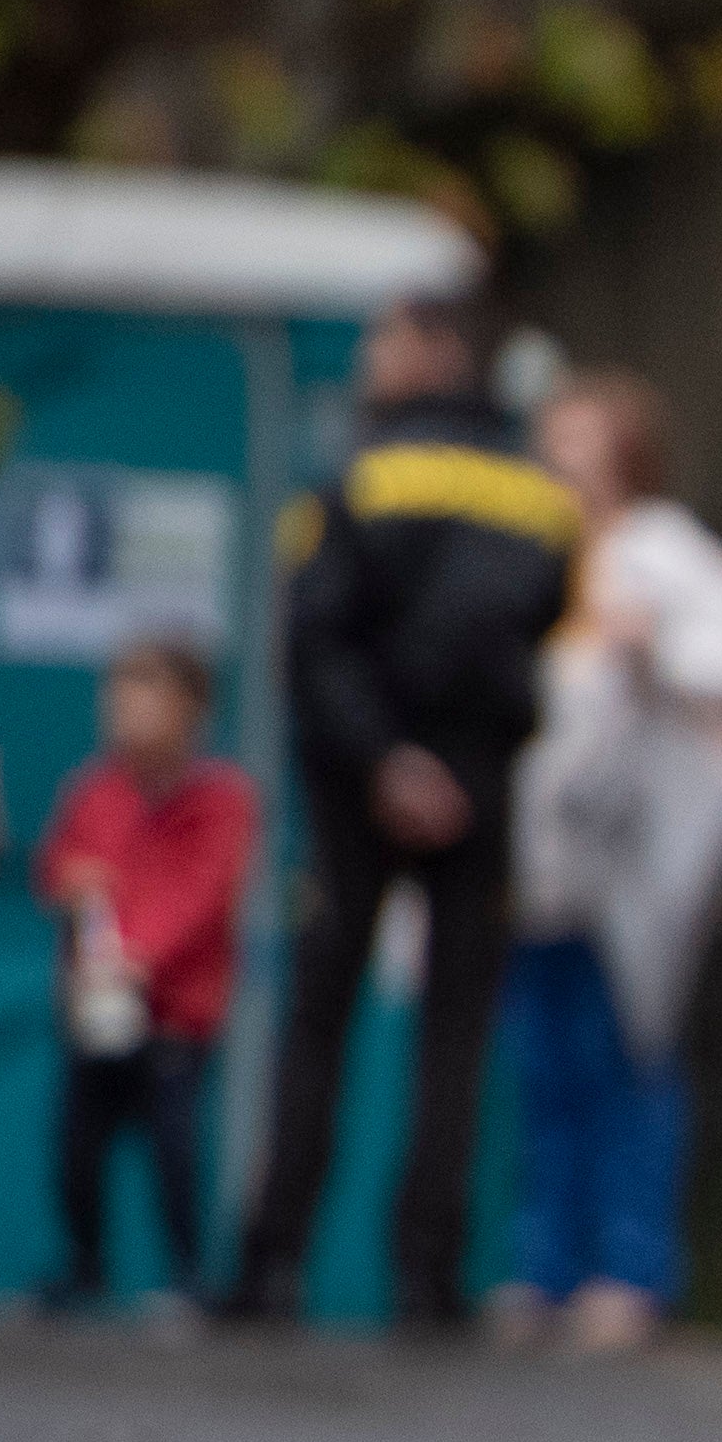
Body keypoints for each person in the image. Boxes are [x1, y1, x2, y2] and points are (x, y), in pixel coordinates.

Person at [228, 290, 571, 1331]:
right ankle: (428, 1278)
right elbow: (531, 630)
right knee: (455, 1033)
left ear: (436, 351)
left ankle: (273, 1262)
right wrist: (455, 759)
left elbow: (318, 638)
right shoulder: (540, 497)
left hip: (358, 781)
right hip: (480, 785)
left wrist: (386, 758)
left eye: (385, 340)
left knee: (320, 1017)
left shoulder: (363, 477)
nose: (372, 357)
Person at [491, 372, 722, 1353]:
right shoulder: (532, 550)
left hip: (639, 863)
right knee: (544, 1067)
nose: (565, 457)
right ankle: (543, 1263)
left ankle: (630, 1267)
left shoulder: (670, 556)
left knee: (628, 1054)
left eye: (586, 439)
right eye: (556, 436)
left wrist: (656, 648)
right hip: (544, 859)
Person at [30, 635, 253, 1320]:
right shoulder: (93, 793)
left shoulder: (223, 799)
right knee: (75, 1146)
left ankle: (186, 1278)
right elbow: (54, 868)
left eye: (146, 698)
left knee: (174, 1149)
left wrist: (141, 954)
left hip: (176, 1014)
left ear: (191, 709)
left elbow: (205, 892)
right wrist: (70, 884)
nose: (127, 713)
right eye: (118, 698)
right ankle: (85, 1268)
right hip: (95, 1009)